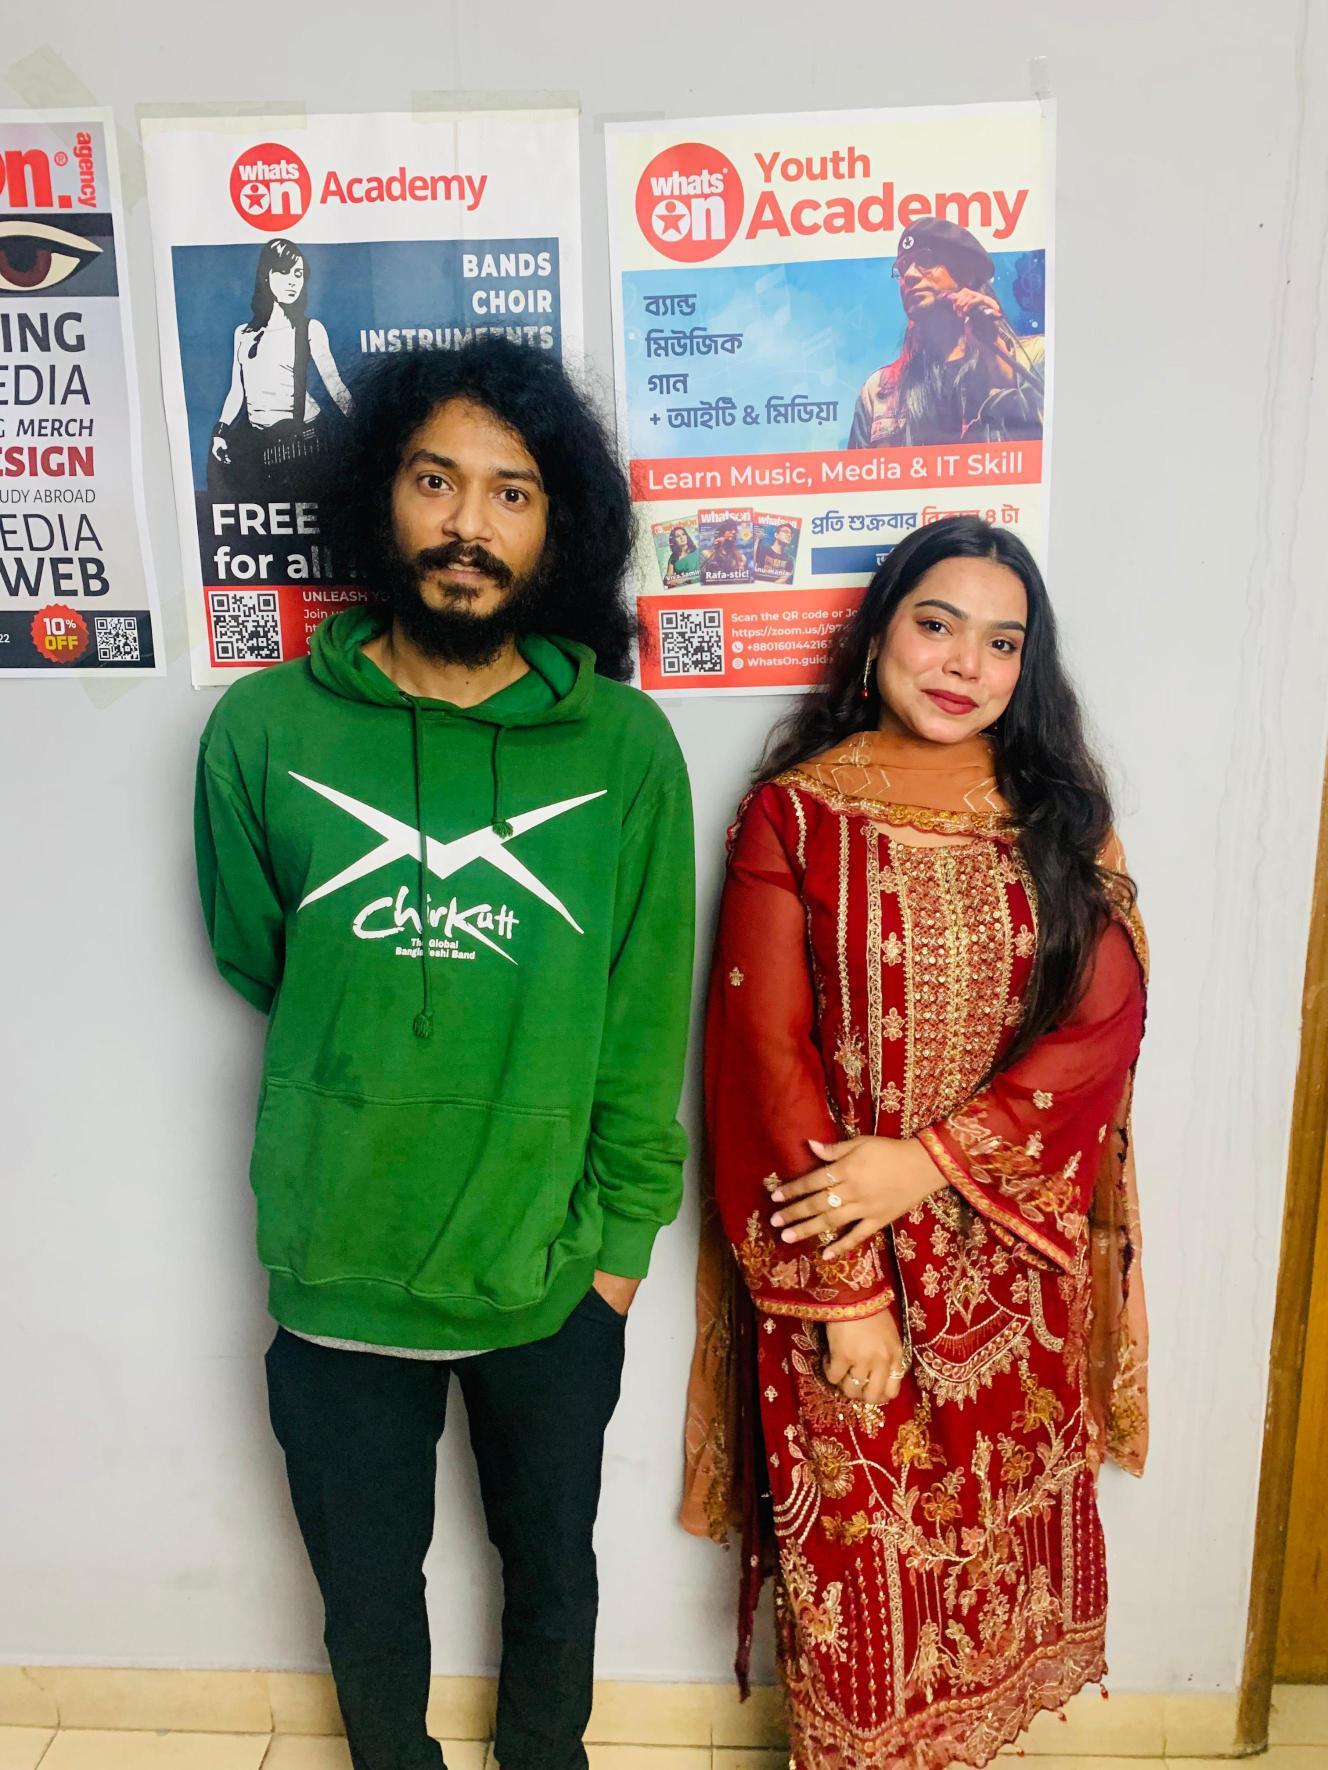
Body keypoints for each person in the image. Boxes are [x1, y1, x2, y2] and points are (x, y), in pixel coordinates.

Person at [195, 337, 695, 1770]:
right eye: (436, 481)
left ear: (557, 526)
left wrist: (615, 1256)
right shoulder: (262, 729)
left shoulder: (624, 748)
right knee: (367, 1607)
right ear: (383, 496)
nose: (468, 524)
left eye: (511, 492)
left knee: (553, 1583)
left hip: (550, 1274)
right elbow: (262, 956)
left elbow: (643, 1021)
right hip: (338, 1263)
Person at [683, 516, 1148, 1769]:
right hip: (839, 1248)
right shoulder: (794, 815)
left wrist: (932, 1161)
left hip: (1013, 1260)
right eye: (935, 625)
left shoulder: (1062, 818)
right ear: (879, 628)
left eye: (1001, 643)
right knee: (864, 1590)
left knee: (985, 1579)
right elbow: (764, 1056)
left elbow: (1102, 1022)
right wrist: (844, 1294)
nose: (963, 665)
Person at [847, 217, 1045, 450]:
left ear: (967, 274)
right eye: (902, 267)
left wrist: (993, 352)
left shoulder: (1036, 357)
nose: (909, 275)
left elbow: (1050, 444)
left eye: (926, 260)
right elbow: (859, 472)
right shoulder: (879, 391)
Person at [209, 237, 353, 495]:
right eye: (284, 271)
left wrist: (362, 426)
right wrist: (220, 432)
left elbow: (335, 385)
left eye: (298, 274)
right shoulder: (243, 333)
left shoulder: (309, 329)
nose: (292, 281)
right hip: (260, 445)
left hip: (305, 440)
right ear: (267, 275)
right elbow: (237, 391)